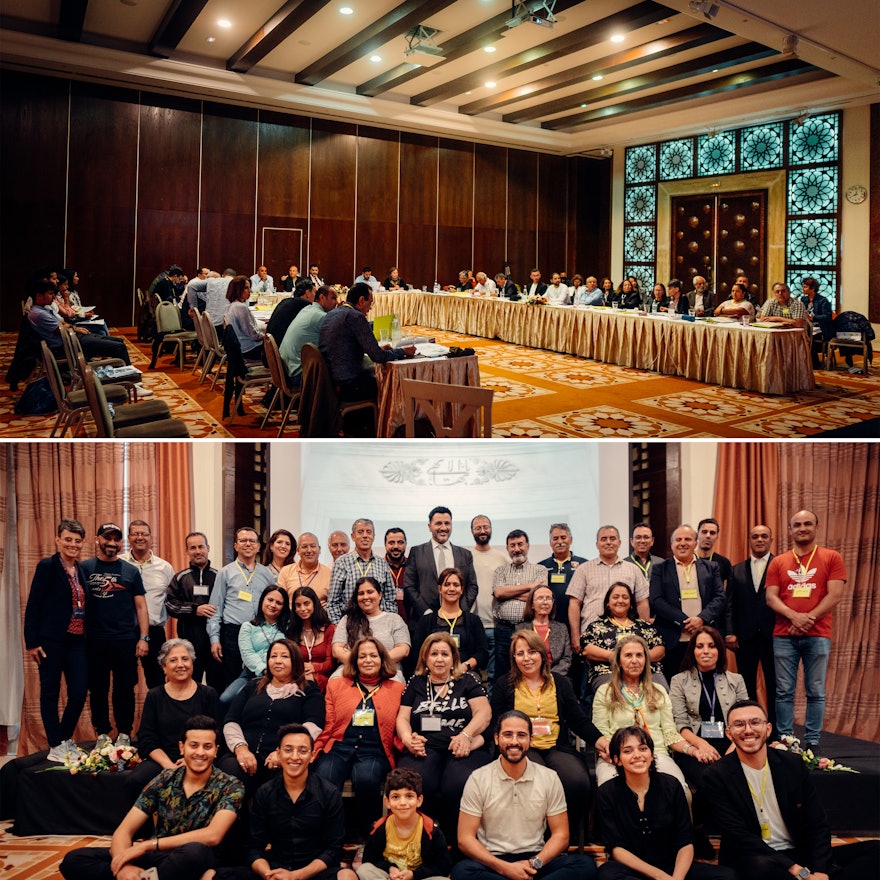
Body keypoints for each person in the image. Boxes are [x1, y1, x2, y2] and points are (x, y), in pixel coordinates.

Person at [703, 700, 880, 880]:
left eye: (755, 722)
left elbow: (817, 822)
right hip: (755, 856)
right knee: (761, 868)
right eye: (739, 724)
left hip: (798, 853)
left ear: (768, 728)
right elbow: (739, 836)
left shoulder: (791, 764)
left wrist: (821, 871)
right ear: (729, 733)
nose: (748, 730)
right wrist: (798, 871)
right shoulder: (717, 775)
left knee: (875, 850)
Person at [59, 715, 243, 880]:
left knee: (195, 851)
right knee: (75, 859)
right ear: (182, 747)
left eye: (207, 747)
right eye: (193, 745)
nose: (200, 753)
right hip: (160, 858)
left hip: (197, 859)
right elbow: (124, 830)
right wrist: (124, 867)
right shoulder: (165, 779)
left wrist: (147, 845)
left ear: (216, 751)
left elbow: (213, 836)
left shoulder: (230, 785)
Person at [453, 710, 598, 880]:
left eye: (521, 735)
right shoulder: (478, 778)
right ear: (496, 738)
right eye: (508, 735)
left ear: (531, 740)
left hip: (536, 860)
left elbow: (561, 835)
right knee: (462, 872)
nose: (514, 741)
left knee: (585, 866)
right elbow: (465, 839)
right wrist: (505, 869)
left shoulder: (549, 777)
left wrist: (532, 864)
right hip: (493, 862)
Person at [492, 631, 608, 837]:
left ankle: (564, 836)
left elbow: (577, 720)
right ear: (513, 658)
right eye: (520, 654)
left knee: (577, 781)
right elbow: (496, 723)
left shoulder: (560, 683)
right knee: (536, 780)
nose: (526, 658)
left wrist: (601, 742)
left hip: (556, 746)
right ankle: (534, 837)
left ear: (542, 655)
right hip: (522, 749)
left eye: (532, 652)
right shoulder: (505, 684)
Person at [597, 726, 737, 880]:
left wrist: (676, 878)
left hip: (672, 867)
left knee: (727, 876)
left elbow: (685, 841)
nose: (637, 755)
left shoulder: (671, 785)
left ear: (651, 755)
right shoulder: (607, 792)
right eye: (628, 751)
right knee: (607, 874)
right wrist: (660, 877)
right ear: (617, 759)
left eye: (643, 749)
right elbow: (616, 848)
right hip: (631, 869)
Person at [764, 509, 845, 749]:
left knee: (816, 691)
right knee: (784, 691)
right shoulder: (778, 561)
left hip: (818, 634)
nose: (802, 528)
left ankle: (812, 740)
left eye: (807, 524)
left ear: (816, 527)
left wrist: (808, 618)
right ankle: (786, 738)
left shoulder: (832, 557)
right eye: (797, 525)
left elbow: (836, 594)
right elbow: (771, 598)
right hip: (783, 634)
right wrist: (794, 617)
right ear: (790, 530)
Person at [396, 633, 492, 831]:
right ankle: (421, 836)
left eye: (445, 654)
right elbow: (403, 718)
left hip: (463, 746)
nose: (439, 659)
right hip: (424, 747)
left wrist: (466, 735)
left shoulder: (467, 680)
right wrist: (407, 739)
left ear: (454, 658)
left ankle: (458, 838)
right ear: (425, 658)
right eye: (434, 654)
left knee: (458, 784)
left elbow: (484, 712)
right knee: (412, 781)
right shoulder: (416, 682)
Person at [314, 637, 405, 836]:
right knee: (323, 778)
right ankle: (328, 837)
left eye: (373, 655)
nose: (368, 660)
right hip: (340, 746)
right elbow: (329, 724)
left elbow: (401, 725)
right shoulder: (337, 685)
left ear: (382, 659)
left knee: (366, 779)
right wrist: (318, 748)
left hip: (375, 750)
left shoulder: (397, 689)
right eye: (362, 656)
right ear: (354, 660)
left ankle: (367, 837)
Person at [241, 724, 355, 880]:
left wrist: (296, 876)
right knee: (213, 875)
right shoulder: (265, 792)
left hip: (313, 872)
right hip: (275, 871)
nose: (295, 757)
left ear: (313, 756)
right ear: (279, 754)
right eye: (288, 750)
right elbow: (254, 846)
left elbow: (333, 850)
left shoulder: (329, 793)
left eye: (302, 751)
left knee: (347, 876)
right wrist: (267, 874)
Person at [220, 638, 325, 796]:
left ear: (295, 661)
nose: (278, 661)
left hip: (284, 758)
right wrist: (240, 748)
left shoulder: (308, 689)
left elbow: (313, 724)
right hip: (245, 754)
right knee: (230, 773)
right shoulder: (253, 686)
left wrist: (284, 752)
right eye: (273, 656)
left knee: (280, 785)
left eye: (284, 656)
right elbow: (231, 720)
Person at [24, 518, 89, 762]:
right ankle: (56, 744)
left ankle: (61, 739)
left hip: (77, 641)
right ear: (58, 540)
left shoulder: (81, 570)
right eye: (68, 539)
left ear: (82, 543)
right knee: (50, 692)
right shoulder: (48, 566)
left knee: (79, 692)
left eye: (77, 540)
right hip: (50, 641)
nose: (73, 544)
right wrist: (31, 642)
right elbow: (34, 605)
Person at [592, 635, 690, 795]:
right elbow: (600, 733)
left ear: (646, 660)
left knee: (683, 794)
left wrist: (692, 749)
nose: (634, 660)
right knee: (612, 794)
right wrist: (616, 755)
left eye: (639, 655)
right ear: (618, 660)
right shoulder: (605, 691)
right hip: (617, 757)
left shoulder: (659, 691)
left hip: (656, 754)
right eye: (628, 655)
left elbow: (670, 733)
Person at [81, 522, 149, 745]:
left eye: (116, 539)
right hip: (93, 641)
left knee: (124, 690)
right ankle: (102, 733)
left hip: (125, 641)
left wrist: (143, 638)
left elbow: (141, 607)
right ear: (96, 539)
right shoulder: (85, 568)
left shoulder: (130, 571)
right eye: (107, 538)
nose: (111, 543)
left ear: (121, 543)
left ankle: (124, 734)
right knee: (98, 690)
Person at [129, 638, 223, 792]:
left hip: (201, 756)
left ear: (192, 664)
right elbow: (147, 739)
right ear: (164, 667)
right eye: (173, 660)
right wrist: (168, 766)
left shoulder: (208, 694)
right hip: (163, 759)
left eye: (185, 659)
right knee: (135, 781)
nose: (180, 665)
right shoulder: (155, 696)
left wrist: (191, 760)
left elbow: (218, 735)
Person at [319, 283, 417, 412]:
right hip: (348, 385)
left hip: (330, 382)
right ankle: (390, 427)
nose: (370, 308)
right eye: (370, 303)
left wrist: (377, 349)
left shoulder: (333, 313)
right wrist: (402, 351)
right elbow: (378, 357)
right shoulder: (356, 317)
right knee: (392, 385)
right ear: (361, 300)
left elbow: (350, 345)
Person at [649, 525, 726, 680]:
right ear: (672, 544)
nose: (683, 543)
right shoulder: (660, 569)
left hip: (703, 638)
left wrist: (701, 619)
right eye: (678, 540)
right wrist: (683, 621)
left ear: (695, 543)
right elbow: (656, 600)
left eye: (688, 539)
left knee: (706, 683)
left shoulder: (711, 567)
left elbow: (720, 597)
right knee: (674, 683)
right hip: (672, 639)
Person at [567, 525, 650, 659]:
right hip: (592, 636)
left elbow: (642, 603)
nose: (608, 542)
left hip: (628, 636)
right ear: (597, 544)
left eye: (612, 538)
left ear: (620, 542)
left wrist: (644, 634)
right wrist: (575, 636)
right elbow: (574, 603)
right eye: (603, 539)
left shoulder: (633, 569)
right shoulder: (584, 569)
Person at [207, 526, 274, 690]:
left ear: (258, 546)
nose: (248, 544)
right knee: (233, 680)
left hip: (259, 632)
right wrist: (214, 639)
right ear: (236, 545)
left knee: (260, 678)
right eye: (243, 541)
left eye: (252, 541)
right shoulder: (225, 573)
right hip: (233, 633)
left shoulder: (267, 574)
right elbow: (215, 608)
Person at [358, 767, 452, 880]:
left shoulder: (431, 830)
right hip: (390, 877)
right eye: (396, 797)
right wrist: (390, 869)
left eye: (409, 796)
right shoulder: (379, 827)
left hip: (418, 877)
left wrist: (413, 875)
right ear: (387, 802)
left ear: (419, 800)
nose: (403, 803)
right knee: (364, 869)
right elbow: (369, 860)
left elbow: (443, 867)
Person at [725, 524, 776, 726]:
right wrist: (730, 632)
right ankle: (751, 724)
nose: (760, 539)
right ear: (750, 540)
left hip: (774, 636)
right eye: (755, 536)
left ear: (771, 540)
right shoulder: (736, 570)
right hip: (744, 638)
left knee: (774, 685)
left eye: (764, 536)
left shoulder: (780, 565)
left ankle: (774, 728)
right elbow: (729, 604)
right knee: (746, 685)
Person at [581, 583, 665, 694]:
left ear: (630, 603)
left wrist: (637, 660)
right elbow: (588, 650)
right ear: (607, 603)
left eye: (625, 597)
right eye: (615, 597)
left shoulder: (645, 626)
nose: (620, 600)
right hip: (608, 671)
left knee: (662, 693)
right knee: (613, 695)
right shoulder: (596, 627)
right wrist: (619, 658)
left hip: (647, 672)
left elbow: (660, 650)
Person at [164, 531, 223, 690]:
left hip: (215, 645)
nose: (197, 551)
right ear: (187, 551)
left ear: (208, 548)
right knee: (190, 687)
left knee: (217, 689)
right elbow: (170, 604)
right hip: (189, 645)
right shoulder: (180, 577)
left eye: (201, 546)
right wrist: (194, 610)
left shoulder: (220, 576)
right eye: (193, 548)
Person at [121, 520, 174, 689]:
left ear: (151, 538)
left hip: (154, 632)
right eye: (135, 534)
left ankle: (158, 716)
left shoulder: (164, 567)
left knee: (157, 681)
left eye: (144, 534)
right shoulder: (119, 563)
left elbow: (172, 600)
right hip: (124, 631)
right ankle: (126, 717)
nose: (140, 537)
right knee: (125, 682)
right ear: (129, 537)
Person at [492, 529, 549, 682]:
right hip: (504, 630)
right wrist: (530, 586)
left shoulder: (540, 570)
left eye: (520, 544)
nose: (516, 549)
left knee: (529, 669)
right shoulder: (500, 571)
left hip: (529, 628)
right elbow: (499, 593)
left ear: (528, 546)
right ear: (507, 549)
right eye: (512, 545)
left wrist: (508, 592)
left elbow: (540, 596)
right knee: (503, 673)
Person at [404, 505, 479, 620]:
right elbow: (409, 586)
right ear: (429, 526)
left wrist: (460, 610)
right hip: (424, 619)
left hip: (458, 620)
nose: (443, 528)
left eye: (447, 523)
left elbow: (472, 586)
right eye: (438, 523)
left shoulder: (465, 554)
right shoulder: (416, 552)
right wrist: (426, 612)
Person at [220, 584, 290, 704]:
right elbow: (247, 653)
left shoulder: (289, 627)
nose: (273, 605)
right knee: (225, 699)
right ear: (262, 600)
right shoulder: (248, 627)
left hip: (281, 673)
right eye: (270, 600)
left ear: (283, 607)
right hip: (251, 674)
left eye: (279, 603)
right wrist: (264, 670)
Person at [332, 576, 410, 680]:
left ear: (380, 595)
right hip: (353, 670)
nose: (365, 597)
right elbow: (337, 650)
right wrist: (361, 664)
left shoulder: (394, 619)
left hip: (387, 670)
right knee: (335, 682)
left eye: (370, 592)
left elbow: (403, 649)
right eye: (361, 593)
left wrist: (375, 663)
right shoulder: (347, 620)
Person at [415, 568, 489, 676]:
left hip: (466, 674)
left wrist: (464, 666)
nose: (451, 588)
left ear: (462, 589)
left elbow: (482, 653)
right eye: (447, 584)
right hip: (433, 674)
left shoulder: (473, 621)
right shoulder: (425, 621)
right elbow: (417, 653)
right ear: (440, 589)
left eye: (456, 585)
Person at [327, 518, 398, 623]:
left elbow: (390, 600)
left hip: (379, 624)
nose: (365, 536)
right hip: (351, 624)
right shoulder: (341, 563)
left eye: (369, 532)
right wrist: (340, 627)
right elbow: (333, 603)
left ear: (373, 537)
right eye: (360, 532)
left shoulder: (382, 564)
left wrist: (387, 624)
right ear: (353, 536)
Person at [470, 515, 508, 689]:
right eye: (478, 527)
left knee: (494, 675)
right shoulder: (466, 556)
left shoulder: (502, 558)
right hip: (472, 625)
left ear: (491, 529)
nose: (482, 530)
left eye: (486, 527)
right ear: (472, 531)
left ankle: (492, 713)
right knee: (471, 675)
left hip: (495, 625)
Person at [278, 283, 338, 382]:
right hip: (298, 373)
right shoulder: (320, 316)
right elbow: (336, 343)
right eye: (333, 298)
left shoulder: (307, 309)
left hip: (286, 368)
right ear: (322, 297)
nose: (336, 302)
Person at [537, 522, 587, 628]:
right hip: (550, 622)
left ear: (571, 540)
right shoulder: (541, 566)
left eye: (563, 537)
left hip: (578, 622)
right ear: (550, 542)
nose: (560, 542)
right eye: (555, 538)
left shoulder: (584, 564)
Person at [515, 585, 572, 676]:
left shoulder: (561, 628)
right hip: (528, 676)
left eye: (549, 598)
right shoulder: (521, 629)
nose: (545, 602)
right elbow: (518, 658)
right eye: (540, 598)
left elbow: (566, 659)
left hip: (556, 677)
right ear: (532, 604)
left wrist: (551, 676)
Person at [289, 585, 337, 692]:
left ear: (315, 604)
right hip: (298, 678)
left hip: (323, 678)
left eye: (306, 604)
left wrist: (314, 667)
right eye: (298, 605)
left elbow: (330, 664)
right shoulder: (292, 631)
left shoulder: (330, 629)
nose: (302, 609)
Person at [279, 531, 332, 606]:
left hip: (319, 616)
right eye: (304, 547)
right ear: (298, 550)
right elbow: (281, 600)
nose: (309, 550)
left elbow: (332, 603)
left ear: (319, 549)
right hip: (291, 616)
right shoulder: (286, 571)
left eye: (313, 546)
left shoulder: (329, 574)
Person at [224, 275, 265, 360]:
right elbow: (254, 336)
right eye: (246, 288)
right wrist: (267, 336)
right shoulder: (241, 307)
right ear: (237, 290)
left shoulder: (230, 306)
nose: (250, 291)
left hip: (240, 347)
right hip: (249, 349)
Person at [800, 277, 834, 368]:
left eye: (805, 287)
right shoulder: (803, 299)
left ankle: (814, 363)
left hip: (821, 328)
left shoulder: (823, 300)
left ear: (813, 288)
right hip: (808, 326)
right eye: (803, 287)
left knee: (810, 336)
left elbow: (827, 316)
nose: (803, 289)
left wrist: (813, 318)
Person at [695, 518, 731, 588]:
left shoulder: (724, 563)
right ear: (697, 534)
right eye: (704, 532)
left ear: (717, 536)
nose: (708, 536)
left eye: (712, 533)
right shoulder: (688, 560)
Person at [384, 527, 409, 622]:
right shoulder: (378, 567)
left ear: (405, 544)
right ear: (385, 545)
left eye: (400, 542)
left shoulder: (413, 566)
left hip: (410, 623)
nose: (396, 546)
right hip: (386, 623)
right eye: (391, 542)